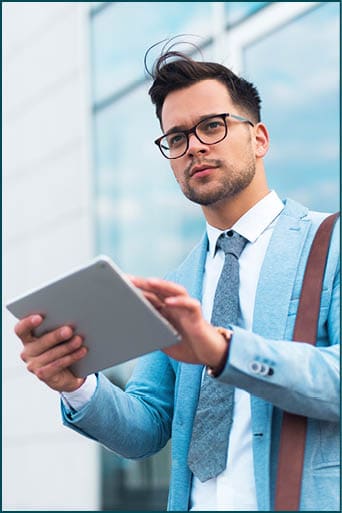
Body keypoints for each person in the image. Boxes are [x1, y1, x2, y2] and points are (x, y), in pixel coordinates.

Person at [15, 47, 340, 511]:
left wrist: (223, 351)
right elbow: (144, 429)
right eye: (177, 137)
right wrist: (77, 383)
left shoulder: (330, 243)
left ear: (260, 138)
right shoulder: (180, 283)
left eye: (212, 125)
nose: (195, 147)